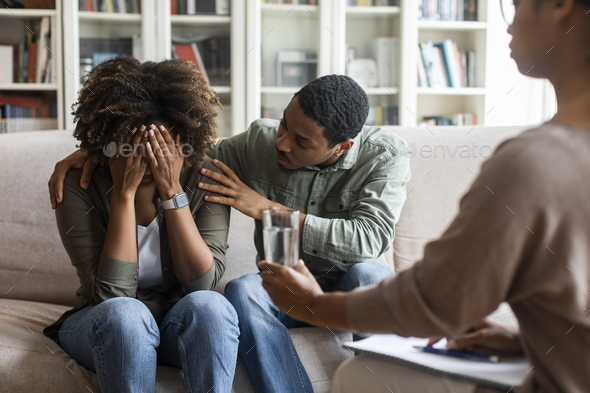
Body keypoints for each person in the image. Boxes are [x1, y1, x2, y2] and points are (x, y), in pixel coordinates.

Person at [257, 0, 590, 392]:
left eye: (514, 4)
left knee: (360, 377)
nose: (509, 22)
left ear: (559, 6)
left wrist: (312, 305)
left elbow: (433, 303)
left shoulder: (533, 163)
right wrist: (528, 345)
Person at [47, 74, 411, 392]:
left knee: (372, 274)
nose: (282, 143)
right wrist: (95, 149)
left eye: (301, 142)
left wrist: (267, 209)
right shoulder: (260, 144)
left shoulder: (384, 156)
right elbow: (186, 150)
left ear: (342, 146)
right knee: (242, 289)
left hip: (350, 287)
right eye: (284, 125)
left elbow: (370, 238)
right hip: (285, 285)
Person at [43, 57, 239, 393]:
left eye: (161, 145)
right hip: (105, 325)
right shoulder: (78, 184)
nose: (149, 158)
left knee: (213, 306)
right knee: (126, 315)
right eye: (134, 144)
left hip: (177, 325)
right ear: (108, 142)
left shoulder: (205, 178)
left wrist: (172, 191)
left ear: (183, 139)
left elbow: (201, 285)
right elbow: (110, 296)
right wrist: (122, 194)